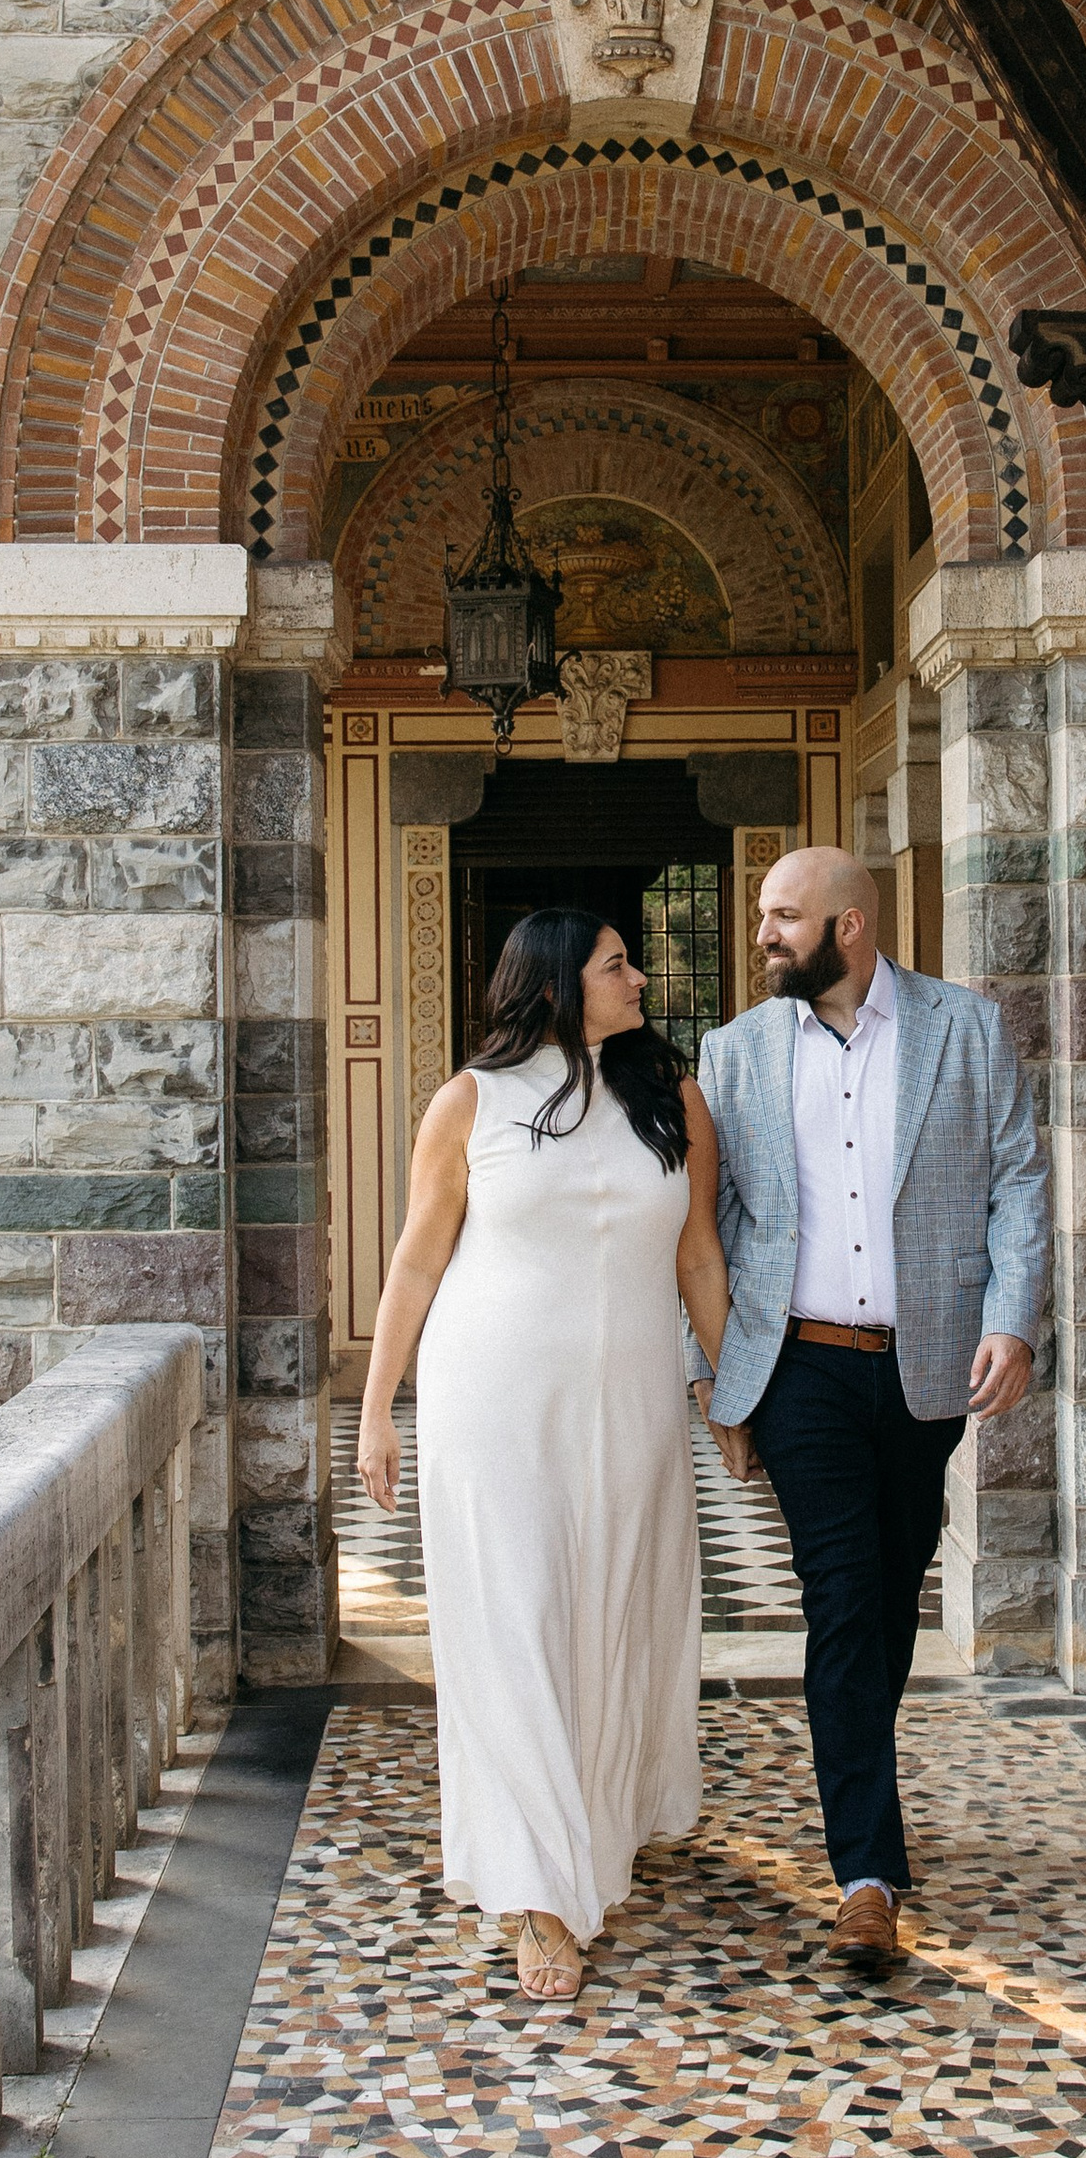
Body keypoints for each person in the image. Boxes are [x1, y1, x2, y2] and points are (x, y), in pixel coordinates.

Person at [355, 908, 732, 2005]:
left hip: (632, 1407)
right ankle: (537, 1893)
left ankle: (602, 1821)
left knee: (613, 1611)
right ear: (560, 984)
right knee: (513, 1623)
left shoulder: (675, 1100)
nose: (640, 976)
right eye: (619, 963)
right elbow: (417, 1264)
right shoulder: (468, 1101)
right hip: (492, 1403)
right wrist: (380, 1408)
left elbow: (699, 1255)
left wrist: (739, 1394)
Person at [698, 847, 1049, 1966]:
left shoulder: (965, 1027)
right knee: (844, 1597)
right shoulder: (733, 1053)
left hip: (927, 1363)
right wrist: (712, 1377)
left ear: (849, 925)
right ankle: (864, 1871)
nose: (764, 936)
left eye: (783, 917)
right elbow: (706, 1228)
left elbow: (1018, 1180)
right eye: (762, 916)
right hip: (796, 1367)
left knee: (893, 1595)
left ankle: (866, 1800)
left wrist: (1014, 1317)